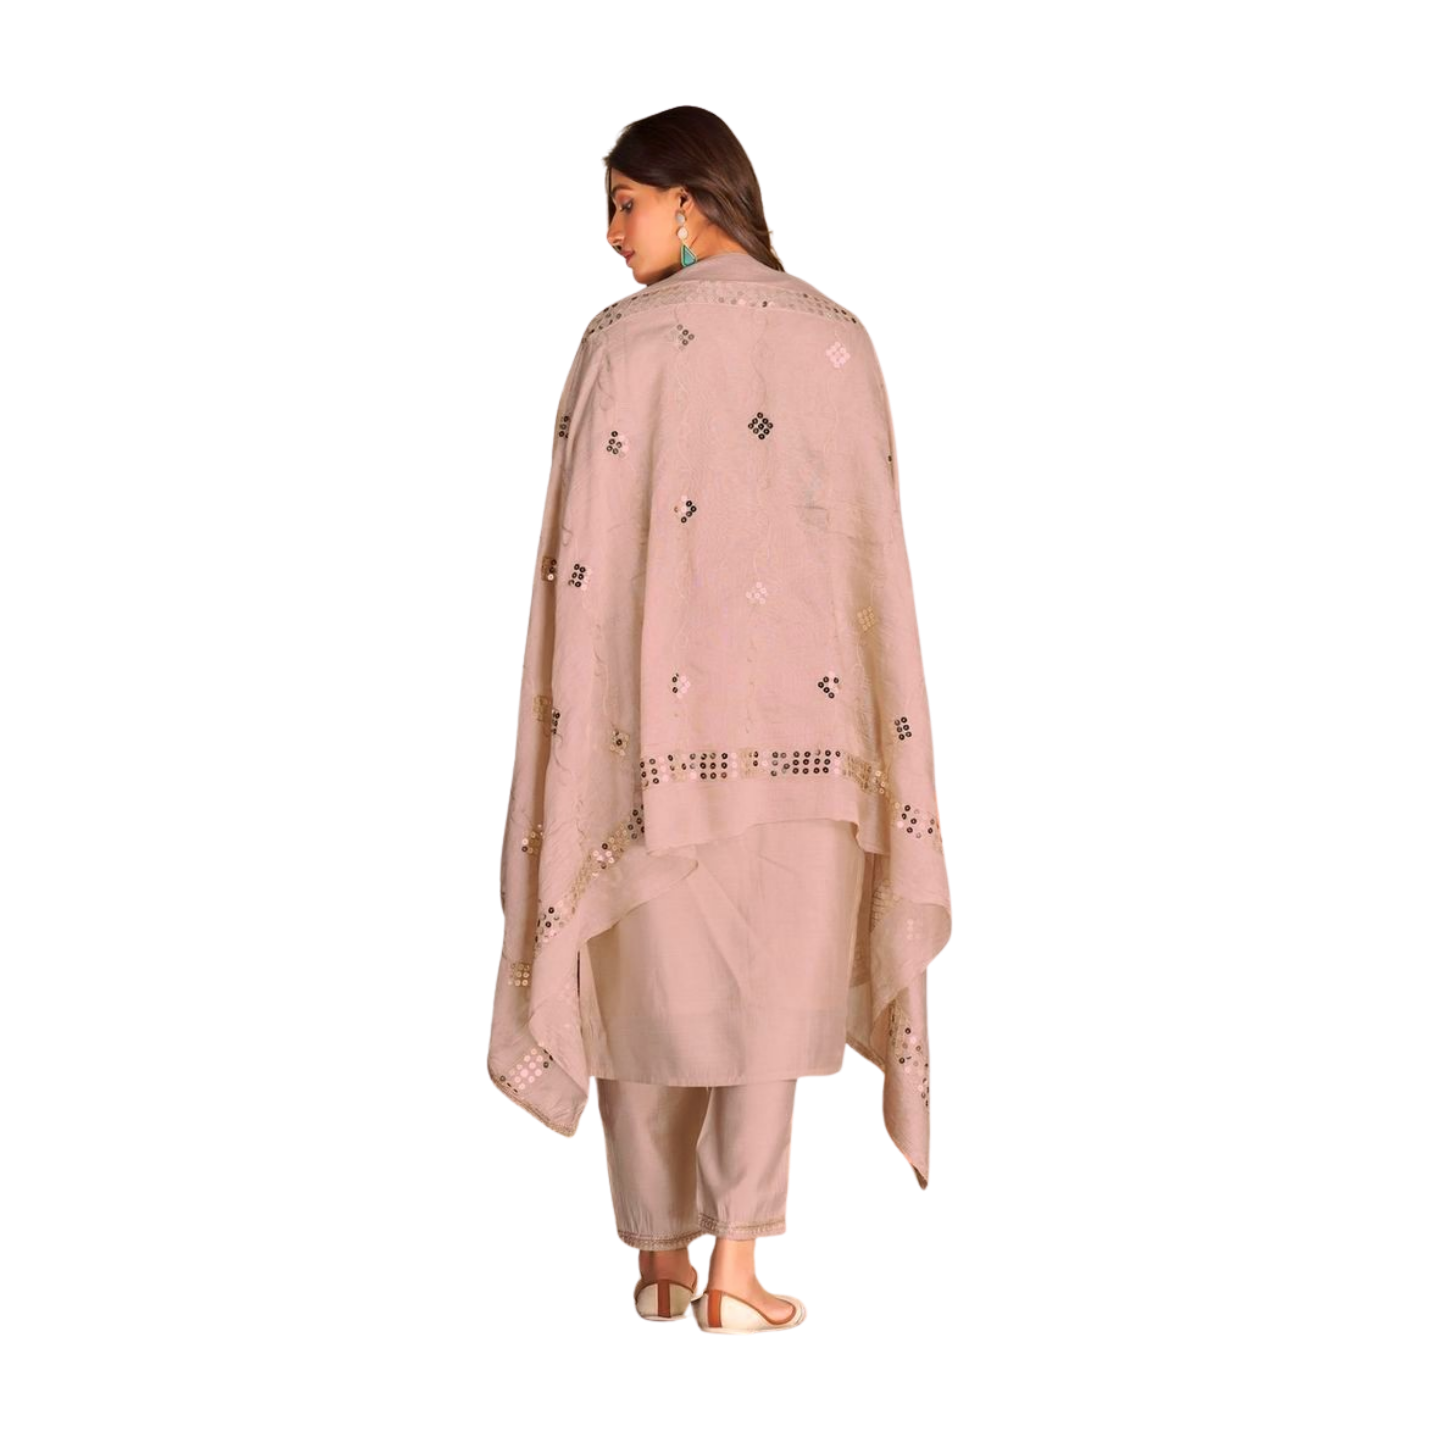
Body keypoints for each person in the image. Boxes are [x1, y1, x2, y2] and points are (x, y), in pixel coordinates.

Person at [488, 106, 952, 1333]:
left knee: (647, 992)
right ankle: (737, 1270)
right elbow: (870, 571)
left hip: (651, 746)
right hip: (811, 745)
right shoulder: (839, 342)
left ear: (690, 200)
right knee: (763, 1003)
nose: (610, 234)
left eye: (625, 204)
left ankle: (663, 1262)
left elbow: (578, 565)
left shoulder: (621, 346)